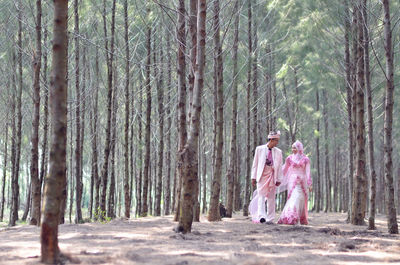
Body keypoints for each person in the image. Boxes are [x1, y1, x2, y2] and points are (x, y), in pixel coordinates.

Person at [249, 131, 283, 223]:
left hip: (272, 175)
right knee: (261, 196)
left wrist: (279, 178)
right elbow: (255, 164)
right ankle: (261, 217)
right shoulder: (259, 149)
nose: (277, 143)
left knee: (271, 197)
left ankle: (270, 218)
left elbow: (279, 166)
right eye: (276, 140)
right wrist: (253, 177)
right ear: (271, 139)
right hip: (262, 175)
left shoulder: (279, 152)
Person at [277, 140, 312, 225]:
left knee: (301, 198)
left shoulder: (306, 159)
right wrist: (278, 178)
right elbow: (284, 170)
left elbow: (308, 172)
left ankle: (299, 218)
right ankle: (291, 216)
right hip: (292, 181)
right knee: (294, 197)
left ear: (299, 148)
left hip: (302, 182)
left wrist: (309, 184)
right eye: (292, 148)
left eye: (295, 148)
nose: (293, 149)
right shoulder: (289, 158)